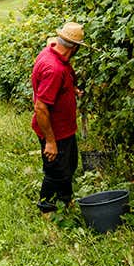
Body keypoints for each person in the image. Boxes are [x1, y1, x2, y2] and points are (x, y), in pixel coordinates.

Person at [31, 21, 86, 212]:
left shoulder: (51, 51)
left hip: (65, 129)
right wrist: (50, 141)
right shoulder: (54, 69)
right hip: (55, 132)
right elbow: (41, 107)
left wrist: (72, 89)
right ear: (76, 47)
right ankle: (46, 209)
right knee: (55, 172)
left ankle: (65, 200)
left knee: (68, 167)